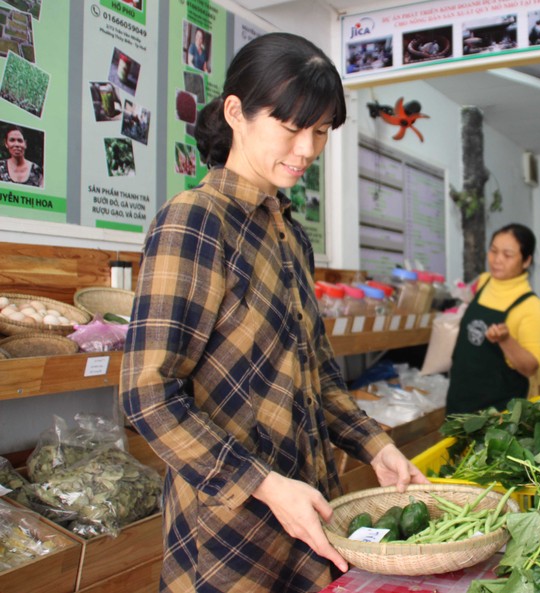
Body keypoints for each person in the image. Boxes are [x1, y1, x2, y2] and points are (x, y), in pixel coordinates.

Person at [120, 33, 427, 593]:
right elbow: (147, 393)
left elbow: (318, 376)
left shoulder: (291, 235)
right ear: (235, 112)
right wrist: (262, 483)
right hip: (227, 530)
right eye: (291, 127)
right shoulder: (194, 221)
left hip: (309, 510)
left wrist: (376, 444)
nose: (306, 149)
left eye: (320, 131)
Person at [446, 223, 540, 414]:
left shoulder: (532, 307)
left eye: (508, 255)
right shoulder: (484, 281)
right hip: (459, 400)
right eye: (493, 251)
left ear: (526, 261)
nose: (497, 260)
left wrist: (506, 340)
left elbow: (530, 368)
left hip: (497, 413)